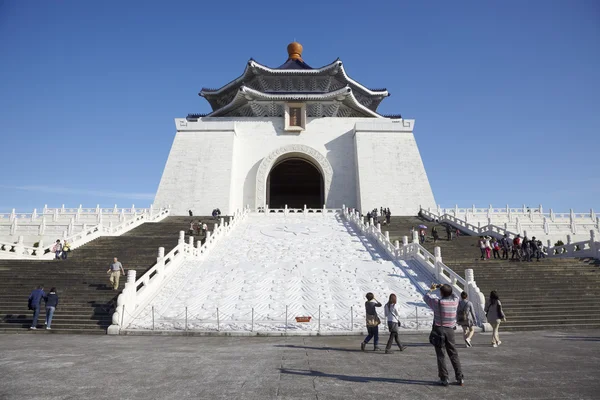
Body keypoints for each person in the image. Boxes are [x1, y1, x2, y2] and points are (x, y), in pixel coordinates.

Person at [423, 284, 464, 386]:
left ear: (441, 293)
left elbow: (425, 297)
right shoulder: (454, 302)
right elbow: (456, 296)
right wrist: (445, 287)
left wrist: (431, 289)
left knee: (441, 355)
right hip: (450, 330)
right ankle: (460, 377)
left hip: (439, 329)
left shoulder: (437, 302)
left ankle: (444, 378)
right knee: (453, 354)